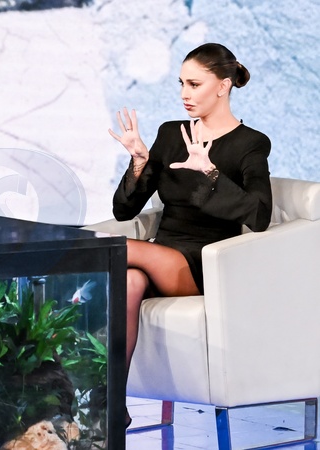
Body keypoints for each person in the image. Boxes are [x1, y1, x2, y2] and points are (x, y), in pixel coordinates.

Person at [108, 43, 272, 427]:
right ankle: (111, 404)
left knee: (113, 251)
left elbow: (260, 215)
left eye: (194, 84)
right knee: (129, 282)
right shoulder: (171, 134)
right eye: (181, 83)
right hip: (161, 255)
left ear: (223, 86)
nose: (184, 93)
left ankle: (63, 264)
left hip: (202, 265)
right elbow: (124, 211)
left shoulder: (250, 144)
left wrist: (210, 172)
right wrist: (139, 162)